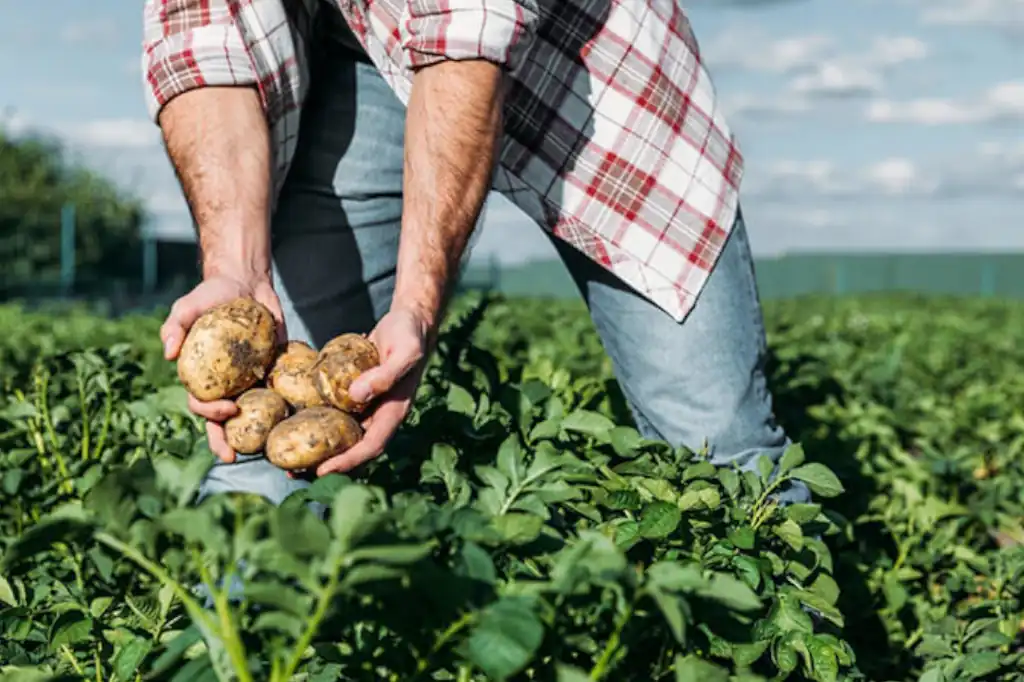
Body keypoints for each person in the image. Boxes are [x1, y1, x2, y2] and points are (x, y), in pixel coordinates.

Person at [143, 0, 810, 506]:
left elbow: (464, 39)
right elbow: (202, 41)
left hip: (581, 62)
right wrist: (234, 266)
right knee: (265, 432)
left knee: (716, 443)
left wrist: (416, 308)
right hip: (352, 53)